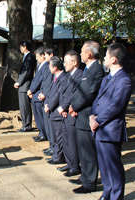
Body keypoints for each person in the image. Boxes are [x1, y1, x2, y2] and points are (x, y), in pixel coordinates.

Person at [90, 43, 132, 200]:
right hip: (100, 128)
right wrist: (92, 116)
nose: (104, 58)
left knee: (113, 167)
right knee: (104, 166)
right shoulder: (108, 78)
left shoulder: (124, 80)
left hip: (111, 129)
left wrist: (97, 120)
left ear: (114, 59)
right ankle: (106, 194)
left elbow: (115, 106)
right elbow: (98, 99)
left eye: (106, 56)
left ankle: (116, 196)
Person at [69, 41, 105, 194]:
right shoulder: (88, 69)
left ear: (89, 54)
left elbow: (89, 93)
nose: (81, 54)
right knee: (83, 150)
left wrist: (74, 107)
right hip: (80, 114)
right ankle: (85, 176)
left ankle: (90, 182)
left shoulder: (96, 70)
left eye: (83, 51)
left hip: (86, 114)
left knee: (88, 151)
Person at [57, 50, 83, 176]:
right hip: (65, 112)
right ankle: (69, 163)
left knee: (72, 141)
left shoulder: (79, 75)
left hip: (71, 112)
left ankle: (74, 166)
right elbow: (63, 93)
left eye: (67, 62)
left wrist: (65, 107)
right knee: (66, 139)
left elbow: (73, 94)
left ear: (74, 62)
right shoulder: (70, 75)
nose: (64, 64)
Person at [44, 56, 67, 165]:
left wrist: (50, 105)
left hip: (57, 111)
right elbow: (51, 92)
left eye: (50, 65)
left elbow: (58, 95)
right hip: (52, 109)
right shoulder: (56, 77)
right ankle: (56, 155)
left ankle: (58, 157)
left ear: (56, 67)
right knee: (55, 135)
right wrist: (47, 103)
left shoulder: (63, 78)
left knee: (59, 136)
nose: (49, 67)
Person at [39, 45, 57, 156]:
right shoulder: (47, 66)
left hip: (50, 98)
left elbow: (52, 84)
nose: (44, 56)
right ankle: (51, 145)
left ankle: (54, 146)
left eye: (46, 54)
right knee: (47, 124)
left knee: (51, 126)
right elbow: (44, 82)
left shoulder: (55, 66)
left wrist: (45, 94)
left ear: (51, 55)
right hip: (45, 97)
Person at [14, 40, 35, 132]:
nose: (20, 49)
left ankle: (27, 125)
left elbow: (27, 71)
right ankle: (25, 124)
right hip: (24, 85)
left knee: (25, 106)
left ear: (25, 47)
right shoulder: (26, 57)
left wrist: (19, 81)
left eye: (21, 47)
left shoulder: (30, 57)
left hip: (25, 85)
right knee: (23, 106)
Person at [27, 46, 48, 142]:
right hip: (35, 94)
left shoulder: (46, 66)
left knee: (40, 116)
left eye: (38, 56)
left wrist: (31, 90)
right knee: (37, 116)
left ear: (43, 56)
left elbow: (39, 81)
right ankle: (41, 132)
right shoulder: (40, 66)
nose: (36, 58)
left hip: (39, 93)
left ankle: (43, 134)